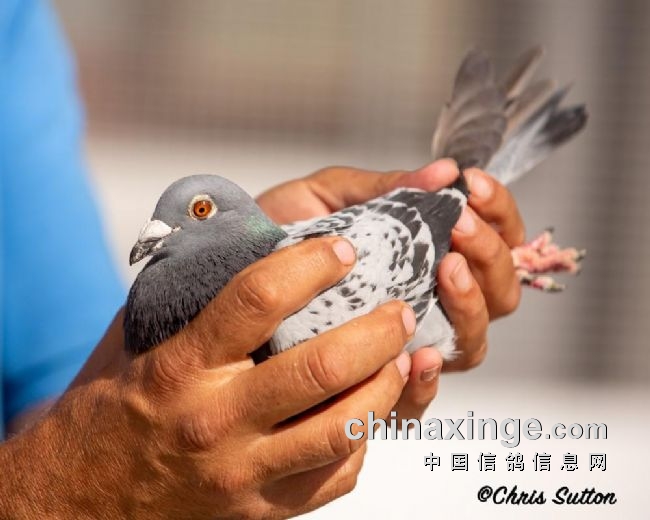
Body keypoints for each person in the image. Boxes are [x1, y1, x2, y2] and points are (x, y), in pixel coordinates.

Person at [0, 0, 524, 518]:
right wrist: (75, 487)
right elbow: (89, 418)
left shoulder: (15, 23)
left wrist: (99, 464)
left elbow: (60, 378)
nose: (153, 233)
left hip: (422, 235)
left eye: (199, 211)